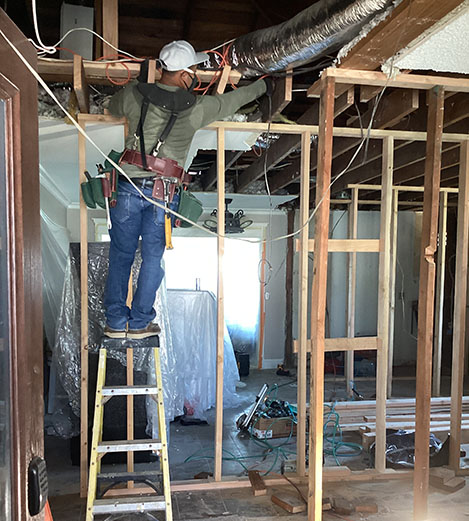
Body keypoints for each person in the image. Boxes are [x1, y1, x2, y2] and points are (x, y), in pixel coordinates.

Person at [103, 40, 270, 339]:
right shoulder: (196, 108)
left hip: (127, 188)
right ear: (183, 75)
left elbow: (111, 106)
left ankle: (116, 323)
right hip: (162, 193)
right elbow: (234, 101)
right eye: (192, 70)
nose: (194, 75)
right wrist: (263, 87)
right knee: (152, 258)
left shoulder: (133, 94)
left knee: (121, 255)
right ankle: (140, 323)